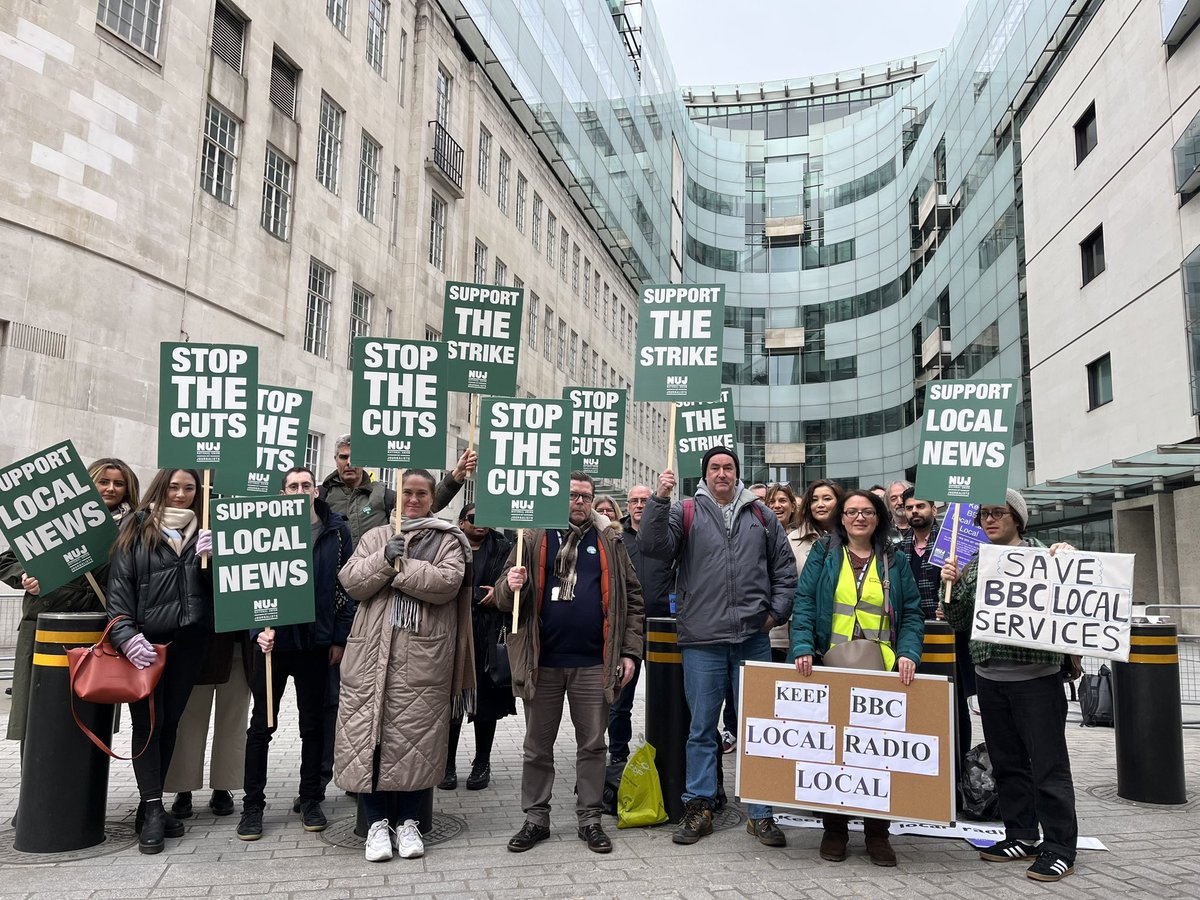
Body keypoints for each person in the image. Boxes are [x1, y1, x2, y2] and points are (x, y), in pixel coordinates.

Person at [640, 447, 795, 849]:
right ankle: (699, 807)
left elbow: (784, 570)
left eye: (728, 467)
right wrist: (659, 499)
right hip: (703, 641)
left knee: (759, 730)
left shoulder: (760, 514)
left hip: (752, 639)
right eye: (715, 468)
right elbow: (654, 548)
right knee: (702, 729)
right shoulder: (685, 511)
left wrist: (772, 615)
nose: (722, 473)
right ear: (705, 475)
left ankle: (761, 814)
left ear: (737, 474)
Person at [318, 438, 476, 800]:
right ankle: (373, 820)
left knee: (415, 738)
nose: (414, 500)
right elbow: (352, 581)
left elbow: (445, 583)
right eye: (408, 493)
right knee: (365, 733)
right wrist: (384, 559)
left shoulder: (448, 539)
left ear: (431, 499)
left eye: (422, 494)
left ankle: (410, 820)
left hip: (421, 656)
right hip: (370, 651)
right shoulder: (377, 535)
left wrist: (398, 568)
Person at [496, 472, 644, 855]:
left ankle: (590, 818)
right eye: (572, 495)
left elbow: (633, 598)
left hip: (594, 662)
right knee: (537, 746)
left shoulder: (610, 539)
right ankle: (535, 818)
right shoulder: (531, 537)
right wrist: (510, 584)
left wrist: (629, 652)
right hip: (542, 662)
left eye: (586, 496)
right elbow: (501, 598)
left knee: (594, 745)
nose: (579, 502)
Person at [941, 489, 1079, 883]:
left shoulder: (1049, 556)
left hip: (1037, 679)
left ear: (1017, 518)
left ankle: (1059, 847)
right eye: (983, 514)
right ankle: (1020, 834)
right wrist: (950, 586)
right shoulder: (973, 561)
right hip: (991, 678)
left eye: (998, 512)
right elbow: (956, 619)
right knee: (1007, 762)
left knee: (1048, 765)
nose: (989, 519)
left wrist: (1069, 558)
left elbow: (1076, 592)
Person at [791, 488, 924, 867]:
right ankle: (835, 829)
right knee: (833, 751)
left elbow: (912, 613)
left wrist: (908, 654)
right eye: (851, 512)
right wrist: (802, 646)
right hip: (831, 666)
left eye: (867, 511)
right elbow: (804, 602)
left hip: (880, 670)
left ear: (878, 517)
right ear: (841, 518)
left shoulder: (893, 561)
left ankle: (877, 834)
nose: (859, 518)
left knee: (876, 754)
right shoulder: (824, 553)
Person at [236, 466, 354, 841]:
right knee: (262, 725)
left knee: (313, 724)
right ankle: (252, 806)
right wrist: (257, 632)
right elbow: (247, 584)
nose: (301, 490)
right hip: (274, 643)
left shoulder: (337, 531)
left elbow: (345, 588)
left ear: (316, 490)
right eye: (293, 486)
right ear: (282, 493)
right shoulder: (263, 529)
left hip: (316, 643)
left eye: (307, 485)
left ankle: (311, 798)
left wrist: (339, 637)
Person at [106, 468, 213, 854]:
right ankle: (153, 811)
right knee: (148, 725)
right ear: (160, 488)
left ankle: (148, 803)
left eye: (190, 488)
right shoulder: (136, 530)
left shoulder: (204, 532)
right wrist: (127, 637)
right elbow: (118, 595)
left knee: (169, 724)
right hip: (146, 647)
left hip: (189, 645)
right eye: (174, 487)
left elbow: (218, 596)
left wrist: (213, 564)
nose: (182, 494)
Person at [0, 457, 139, 749]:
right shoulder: (51, 518)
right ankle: (36, 789)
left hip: (95, 627)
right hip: (44, 625)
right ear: (88, 483)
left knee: (88, 712)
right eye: (103, 481)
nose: (111, 488)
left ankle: (83, 787)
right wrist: (25, 576)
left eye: (119, 483)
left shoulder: (134, 526)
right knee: (38, 715)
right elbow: (7, 560)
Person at [897, 488, 974, 776]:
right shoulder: (899, 548)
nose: (915, 511)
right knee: (918, 704)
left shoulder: (953, 543)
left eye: (920, 506)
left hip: (950, 636)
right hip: (914, 636)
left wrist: (952, 602)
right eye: (909, 507)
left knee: (955, 706)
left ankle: (957, 770)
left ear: (934, 508)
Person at [440, 503, 515, 792]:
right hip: (456, 631)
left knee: (488, 703)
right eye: (473, 518)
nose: (480, 523)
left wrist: (502, 592)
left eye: (485, 517)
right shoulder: (450, 545)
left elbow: (513, 580)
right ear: (461, 522)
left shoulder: (504, 546)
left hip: (490, 632)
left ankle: (481, 762)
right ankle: (446, 764)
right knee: (452, 703)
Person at [607, 483, 675, 766]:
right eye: (634, 500)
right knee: (621, 698)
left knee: (664, 698)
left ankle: (664, 754)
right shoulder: (616, 537)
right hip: (628, 628)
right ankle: (618, 757)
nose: (639, 505)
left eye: (645, 500)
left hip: (664, 627)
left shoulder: (668, 535)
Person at [164, 629, 250, 821]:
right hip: (196, 640)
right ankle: (184, 788)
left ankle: (221, 786)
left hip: (236, 640)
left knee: (232, 719)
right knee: (189, 720)